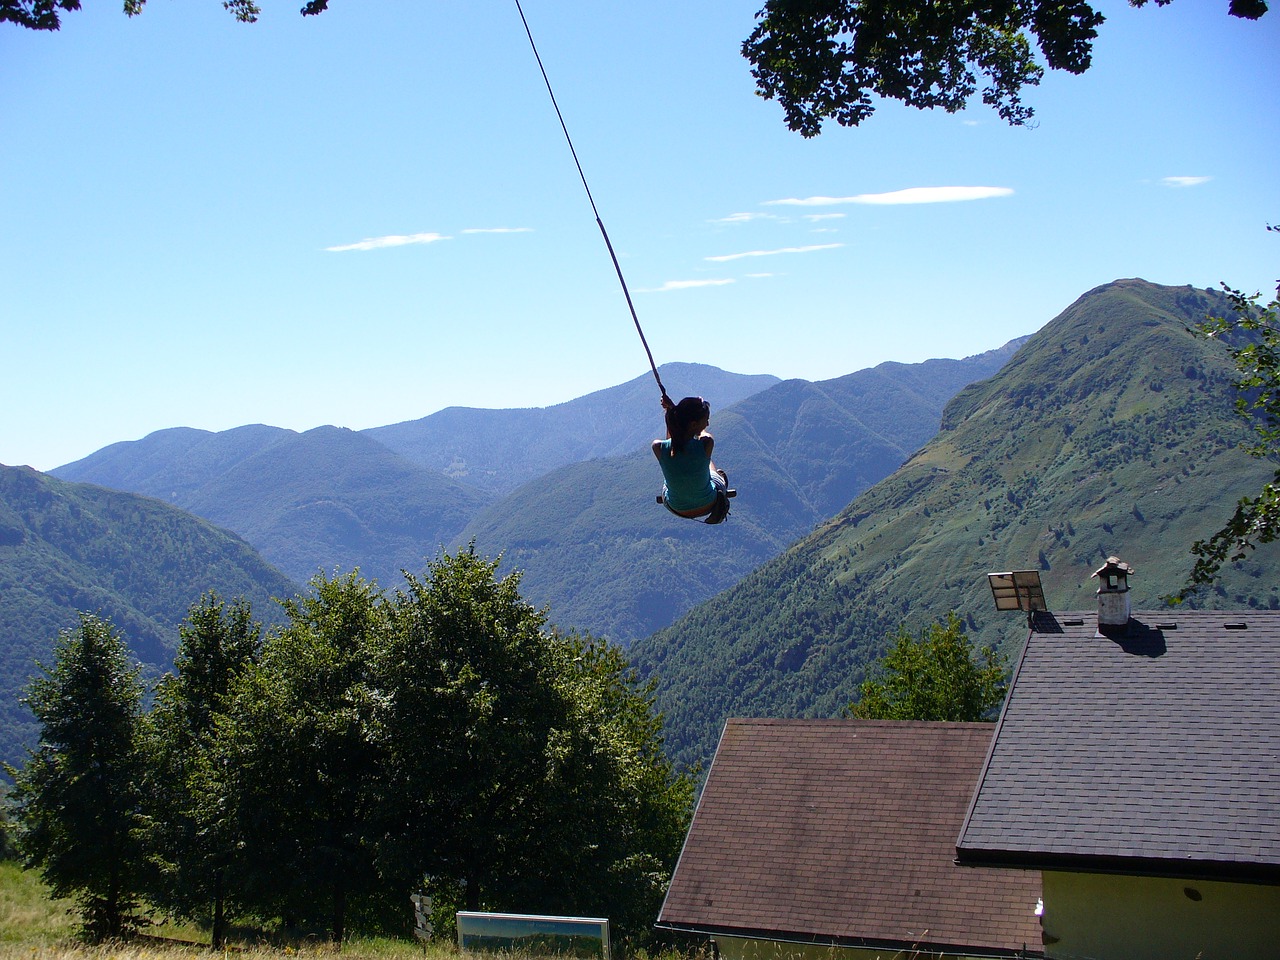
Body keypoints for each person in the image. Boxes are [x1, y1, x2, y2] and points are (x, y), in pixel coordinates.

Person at [652, 395, 730, 521]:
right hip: (708, 504)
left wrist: (672, 411)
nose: (707, 424)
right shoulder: (707, 443)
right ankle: (720, 478)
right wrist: (673, 410)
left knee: (674, 469)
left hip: (676, 507)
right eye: (706, 420)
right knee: (707, 461)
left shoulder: (658, 447)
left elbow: (672, 444)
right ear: (694, 424)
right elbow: (703, 435)